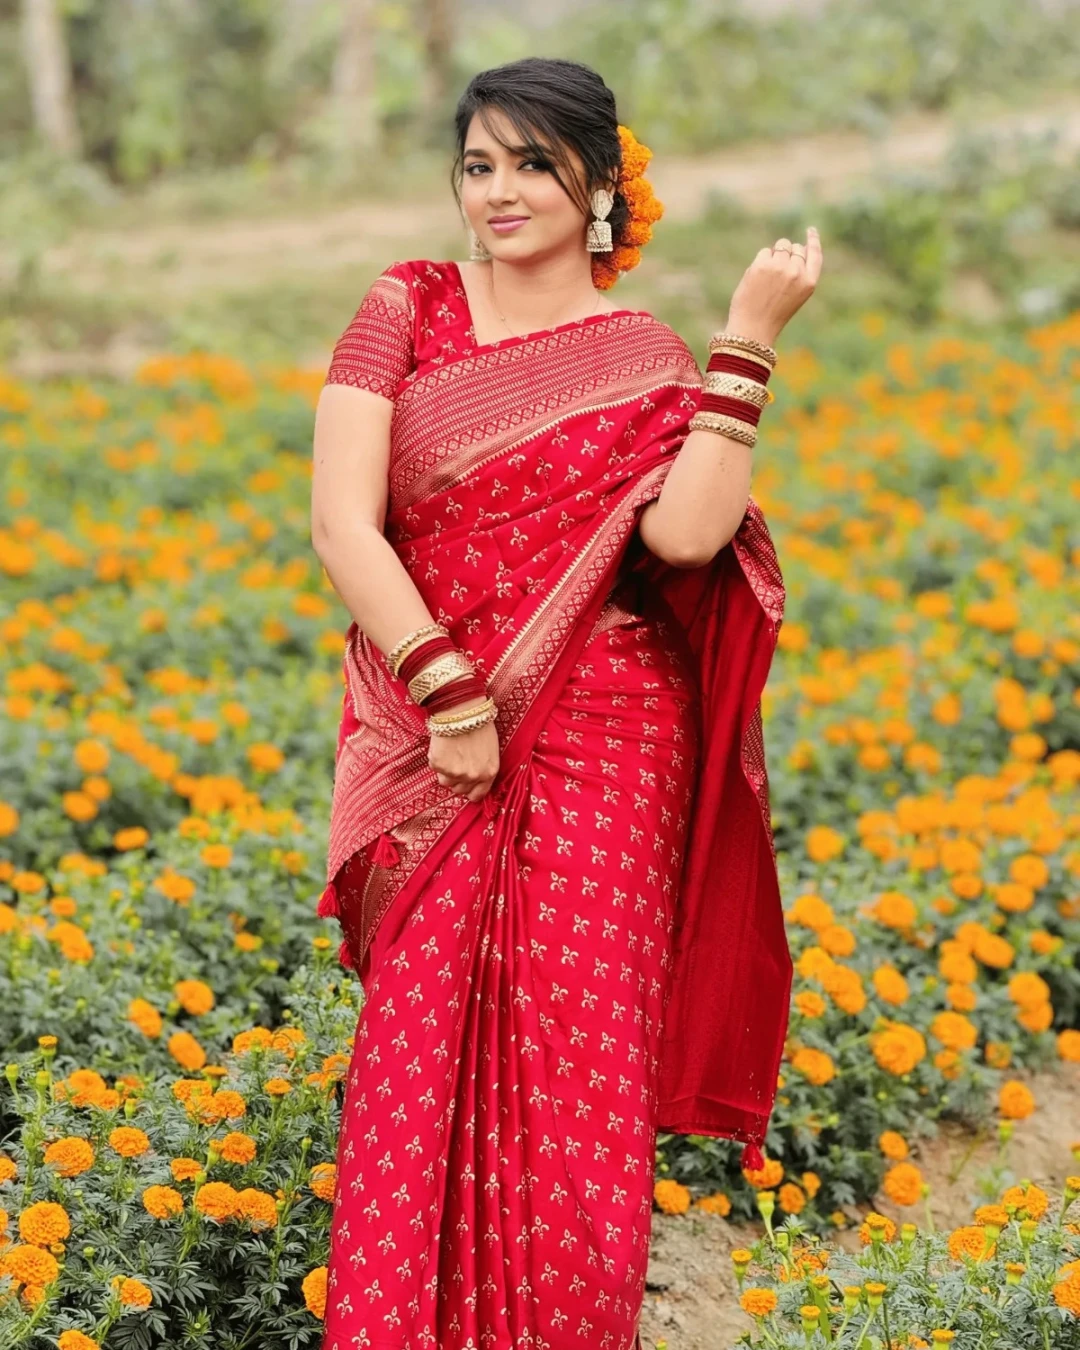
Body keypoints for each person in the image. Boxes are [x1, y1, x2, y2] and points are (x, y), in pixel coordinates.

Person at [310, 54, 821, 1350]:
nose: (499, 191)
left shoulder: (640, 354)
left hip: (609, 740)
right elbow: (340, 521)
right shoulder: (409, 304)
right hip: (440, 738)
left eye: (532, 163)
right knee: (414, 1067)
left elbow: (695, 541)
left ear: (600, 181)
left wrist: (743, 345)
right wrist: (445, 681)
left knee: (581, 1074)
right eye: (478, 165)